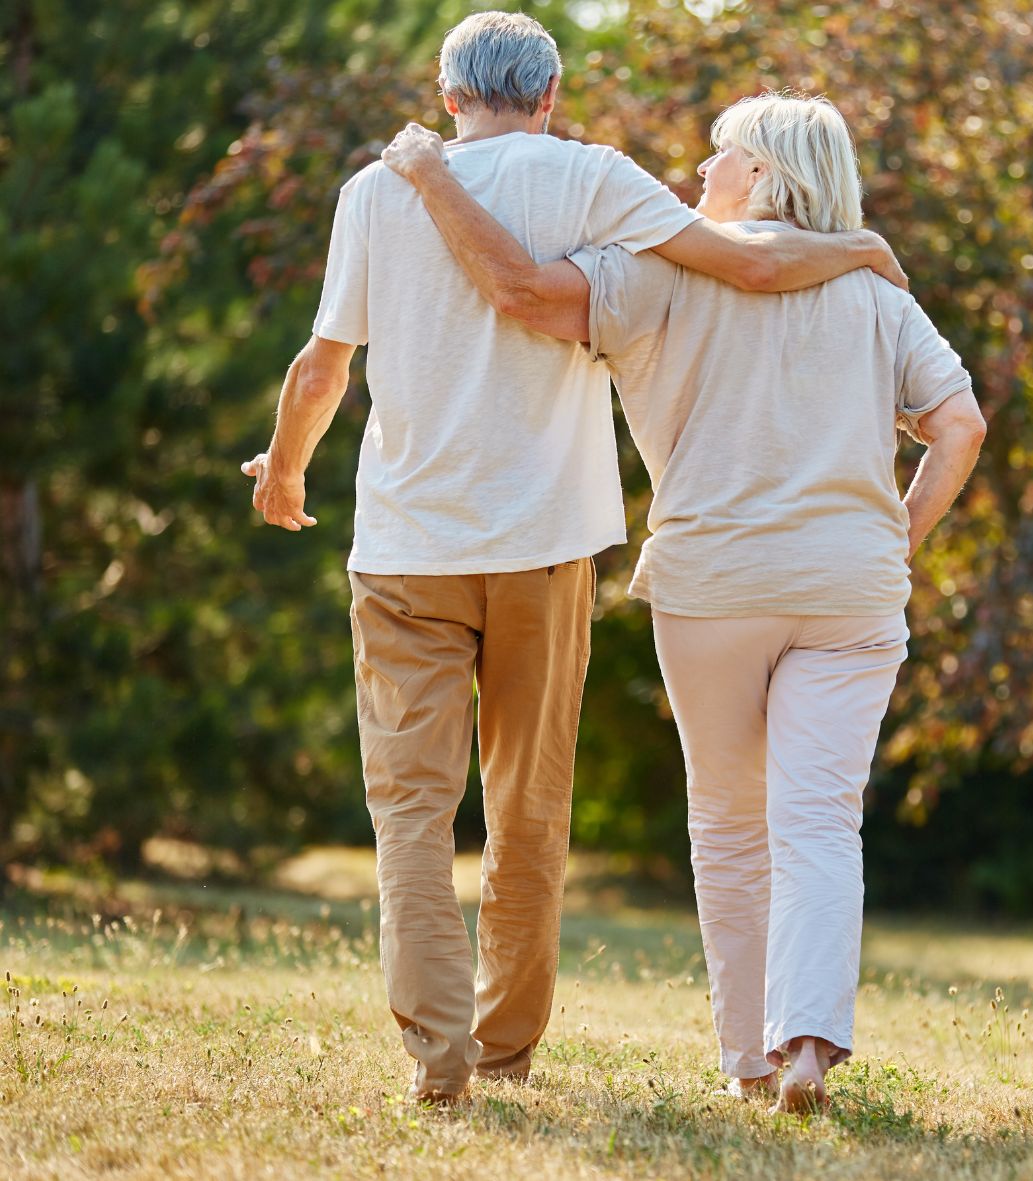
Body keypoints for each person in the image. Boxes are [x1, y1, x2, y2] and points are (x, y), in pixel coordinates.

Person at [240, 13, 906, 1106]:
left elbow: (324, 364)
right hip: (545, 545)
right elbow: (741, 260)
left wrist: (283, 471)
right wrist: (861, 251)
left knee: (410, 810)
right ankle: (504, 1046)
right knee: (528, 806)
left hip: (407, 547)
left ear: (447, 94)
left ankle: (436, 1054)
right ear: (549, 94)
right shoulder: (596, 177)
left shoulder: (375, 191)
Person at [379, 91, 986, 1113]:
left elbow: (526, 297)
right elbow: (958, 425)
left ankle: (747, 1062)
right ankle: (805, 1045)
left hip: (714, 582)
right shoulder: (876, 288)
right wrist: (897, 534)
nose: (695, 174)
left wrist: (432, 180)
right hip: (850, 585)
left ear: (759, 174)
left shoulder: (655, 271)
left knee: (730, 823)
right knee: (821, 822)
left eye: (717, 156)